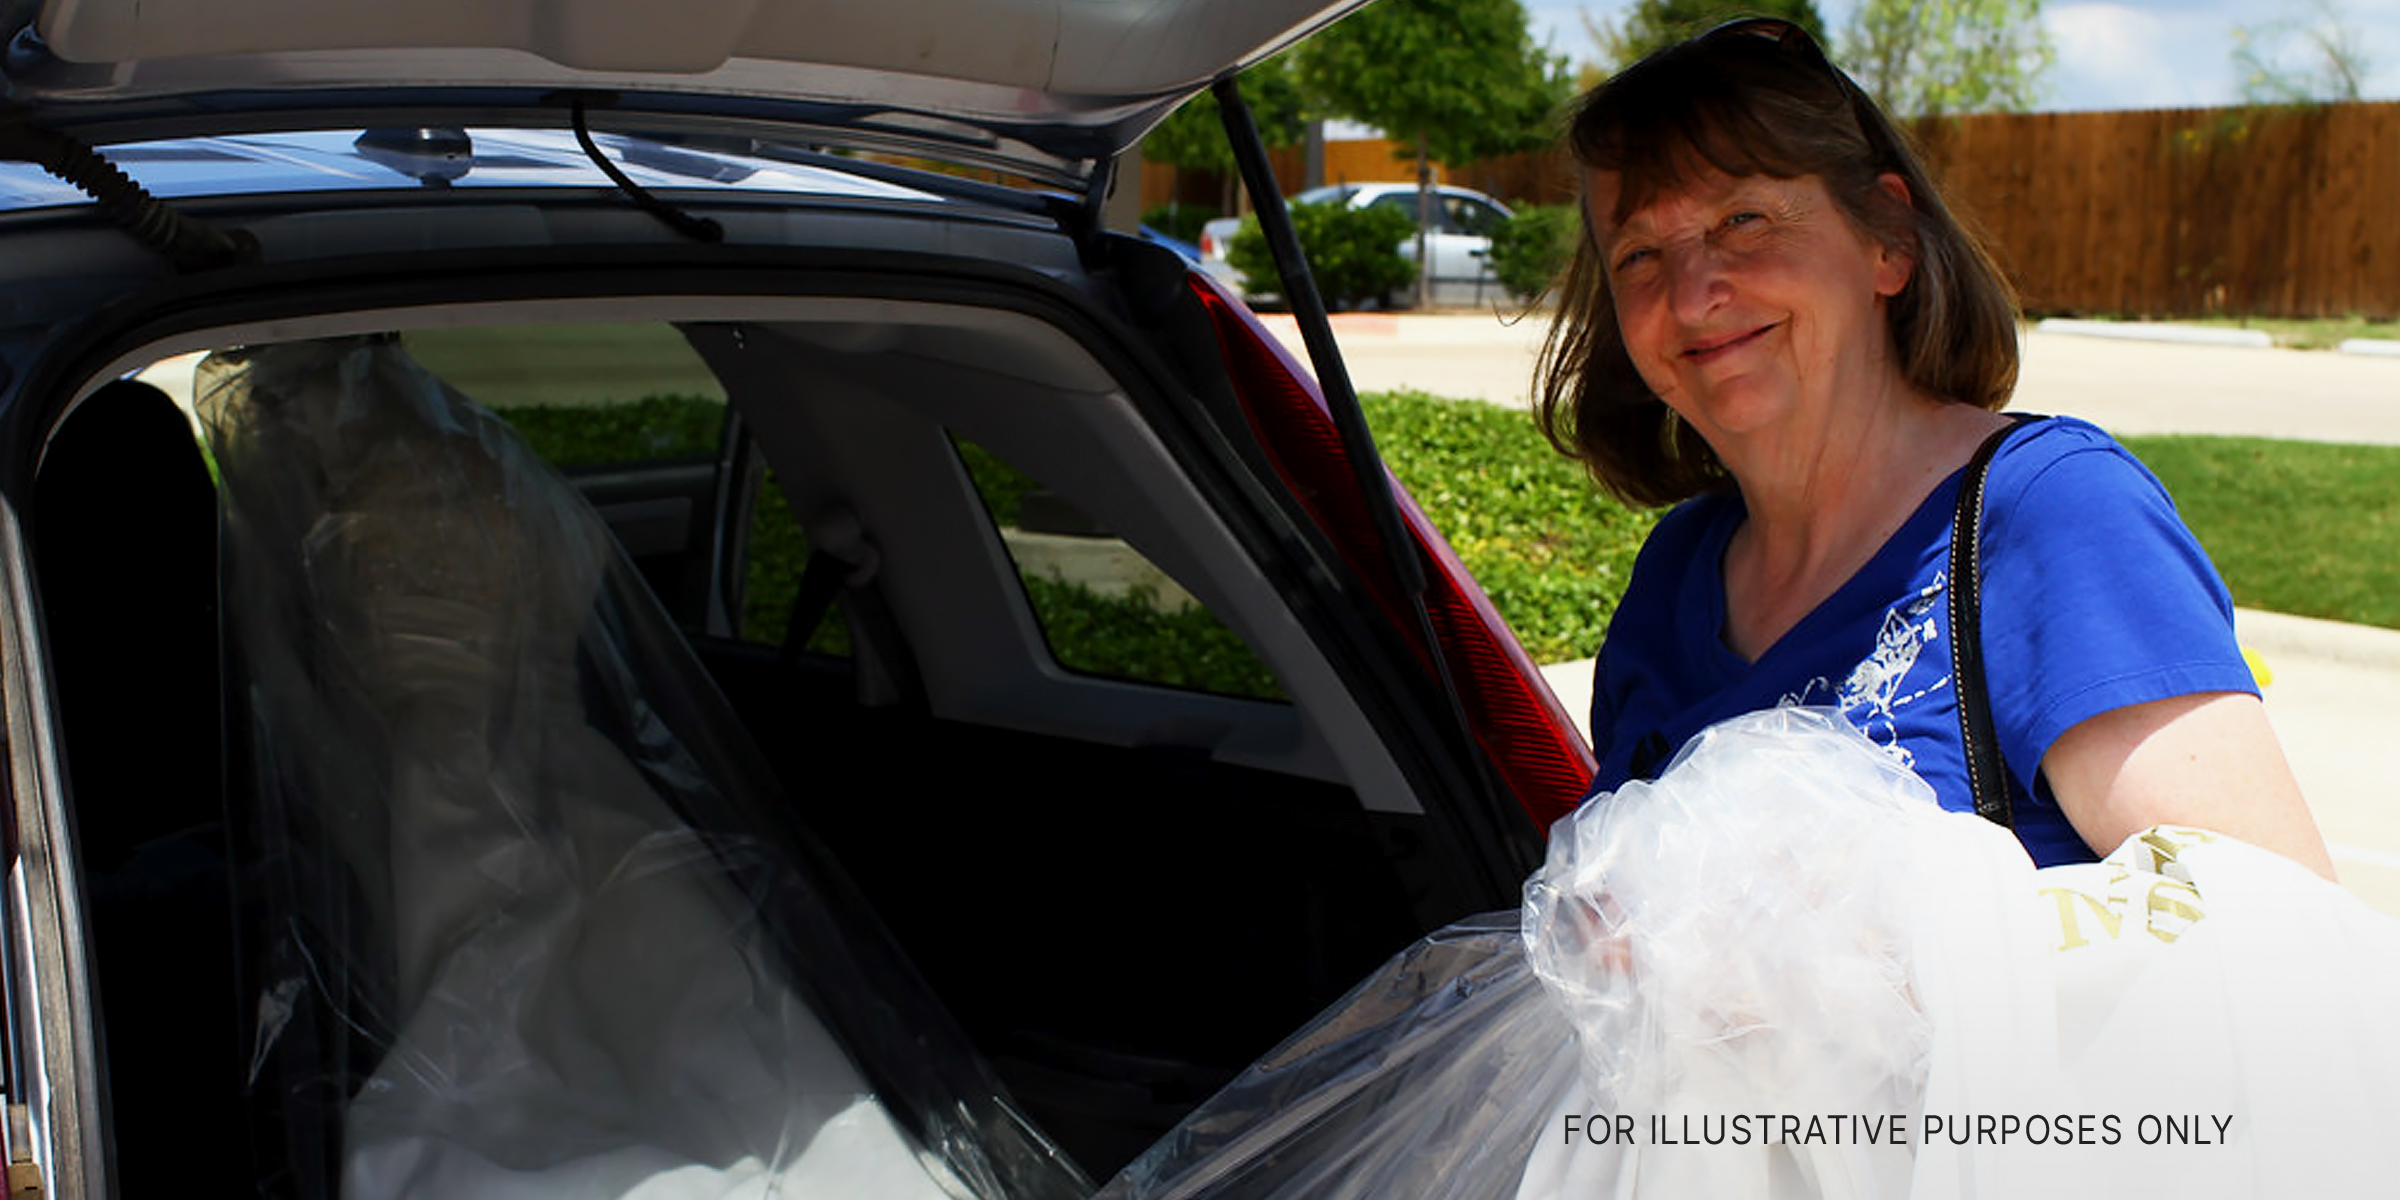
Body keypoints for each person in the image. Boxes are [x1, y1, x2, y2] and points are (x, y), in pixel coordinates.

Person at [1535, 18, 2335, 875]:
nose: (1693, 296)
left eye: (1744, 219)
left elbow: (2265, 939)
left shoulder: (2049, 517)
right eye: (1641, 255)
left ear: (1888, 240)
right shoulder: (1671, 580)